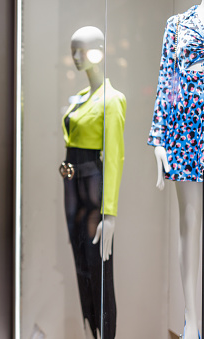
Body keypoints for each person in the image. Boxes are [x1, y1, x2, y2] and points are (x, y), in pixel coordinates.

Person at [61, 26, 126, 339]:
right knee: (80, 263)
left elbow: (114, 157)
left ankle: (106, 333)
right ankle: (90, 330)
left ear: (99, 50)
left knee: (99, 267)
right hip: (72, 188)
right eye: (73, 50)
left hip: (91, 189)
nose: (76, 58)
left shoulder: (112, 100)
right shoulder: (82, 98)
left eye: (82, 50)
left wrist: (109, 213)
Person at [148, 4, 204, 339]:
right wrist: (159, 139)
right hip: (186, 130)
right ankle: (192, 319)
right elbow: (167, 81)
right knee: (189, 224)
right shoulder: (178, 24)